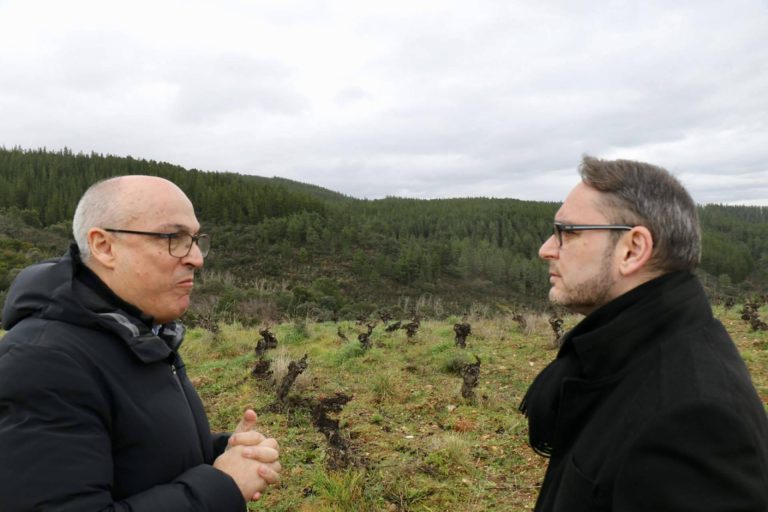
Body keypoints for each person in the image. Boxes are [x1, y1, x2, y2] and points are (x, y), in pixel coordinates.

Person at [0, 176, 281, 510]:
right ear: (104, 246)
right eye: (173, 238)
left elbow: (125, 449)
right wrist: (222, 485)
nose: (196, 258)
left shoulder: (138, 333)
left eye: (194, 239)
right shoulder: (41, 362)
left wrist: (224, 451)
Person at [520, 156, 768, 511]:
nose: (546, 249)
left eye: (567, 232)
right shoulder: (619, 358)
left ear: (633, 249)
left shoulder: (694, 423)